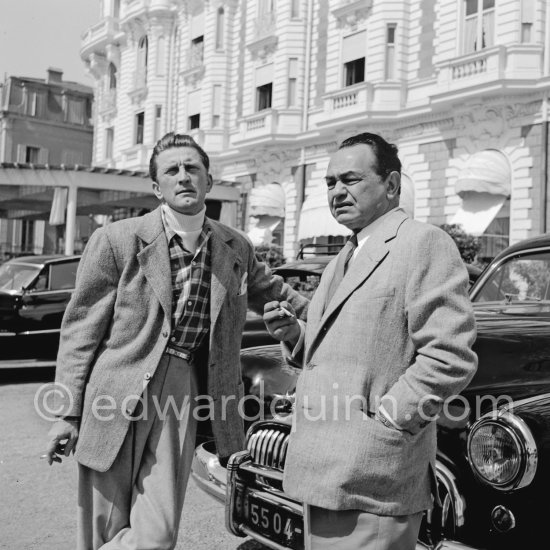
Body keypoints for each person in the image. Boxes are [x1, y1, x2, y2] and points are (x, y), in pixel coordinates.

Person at [44, 132, 308, 550]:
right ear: (157, 187)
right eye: (172, 170)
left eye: (193, 168)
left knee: (159, 534)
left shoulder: (234, 245)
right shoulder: (117, 240)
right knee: (103, 527)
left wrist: (331, 311)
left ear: (207, 181)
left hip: (181, 389)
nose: (183, 176)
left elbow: (274, 291)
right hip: (114, 389)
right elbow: (81, 331)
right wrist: (66, 411)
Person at [264, 132, 477, 550]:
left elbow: (450, 355)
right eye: (329, 183)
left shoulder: (423, 243)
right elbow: (340, 350)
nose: (337, 192)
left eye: (351, 179)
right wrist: (295, 337)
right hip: (320, 475)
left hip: (374, 478)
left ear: (392, 185)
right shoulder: (343, 257)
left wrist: (388, 422)